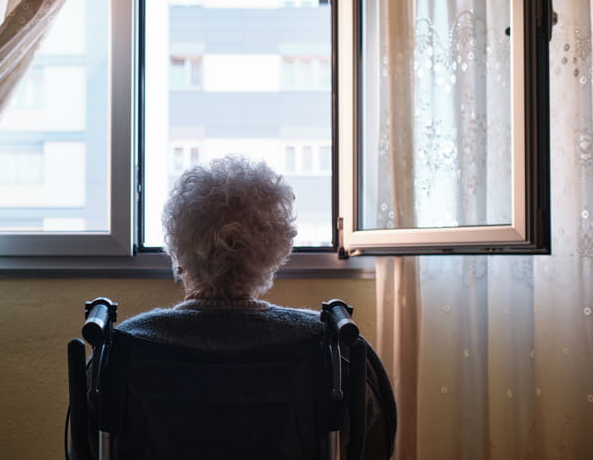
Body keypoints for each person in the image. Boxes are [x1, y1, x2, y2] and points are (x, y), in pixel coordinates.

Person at [117, 155, 396, 458]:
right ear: (273, 255)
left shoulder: (124, 344)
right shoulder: (334, 346)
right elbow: (374, 448)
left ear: (178, 255)